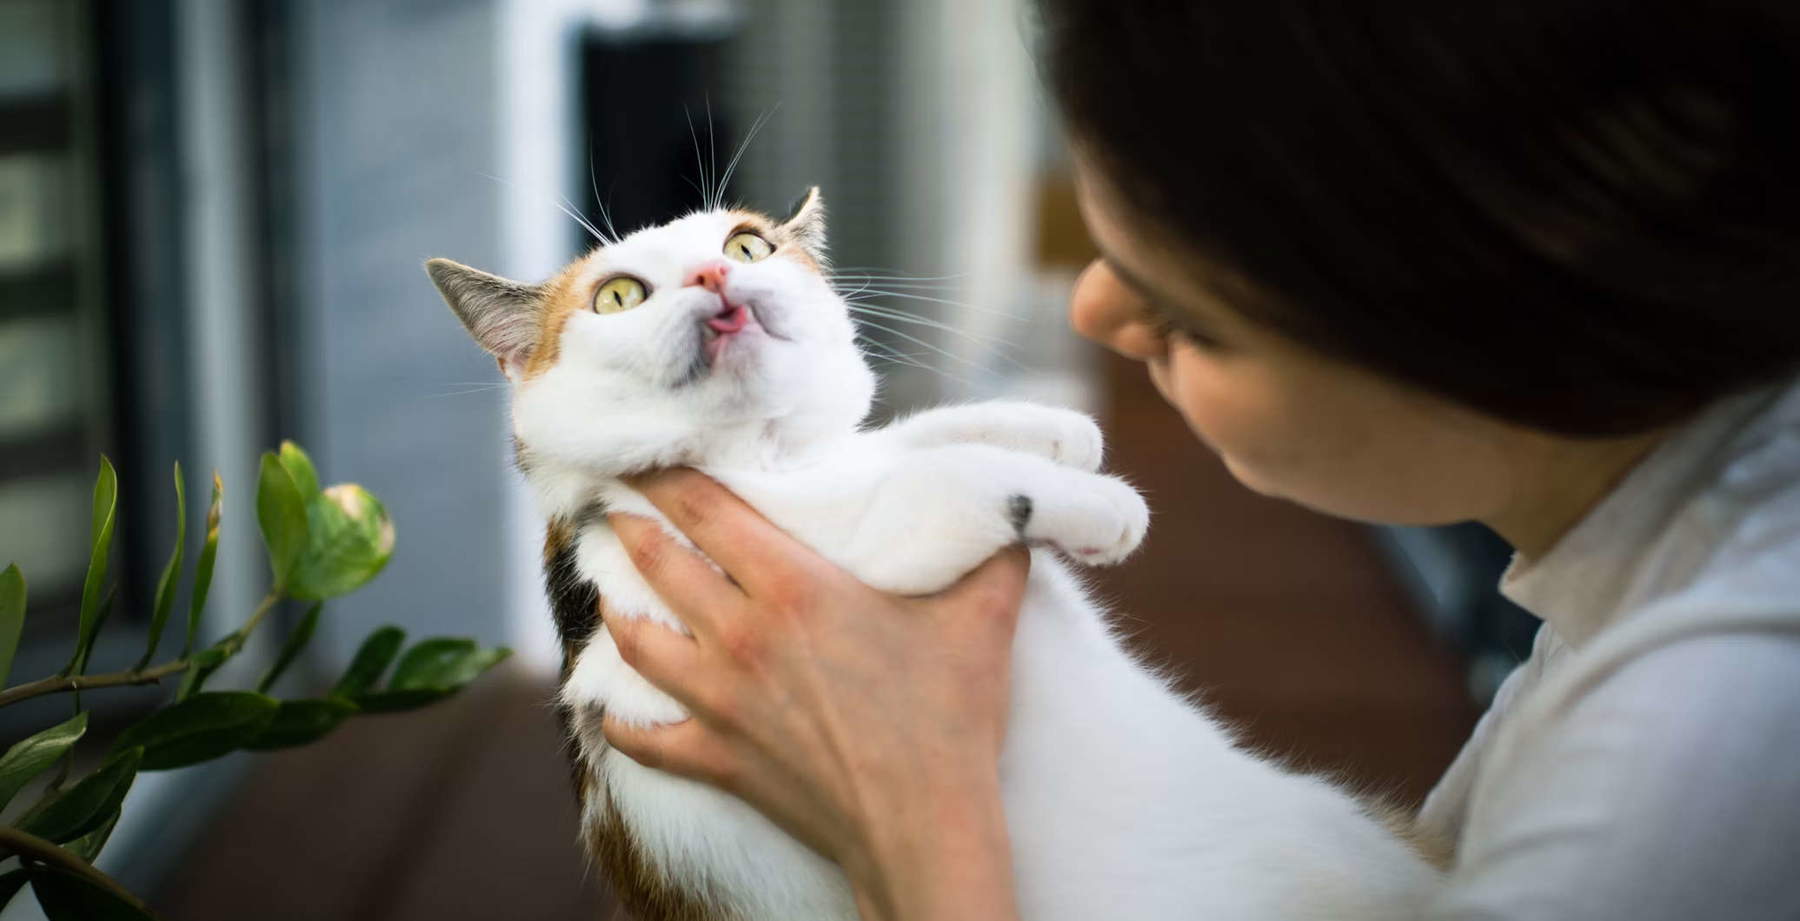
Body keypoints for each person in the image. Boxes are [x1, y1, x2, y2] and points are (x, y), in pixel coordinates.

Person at [599, 2, 1800, 919]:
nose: (1096, 317)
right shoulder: (1657, 559)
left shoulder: (1701, 739)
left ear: (1513, 297)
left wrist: (914, 817)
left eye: (1187, 316)